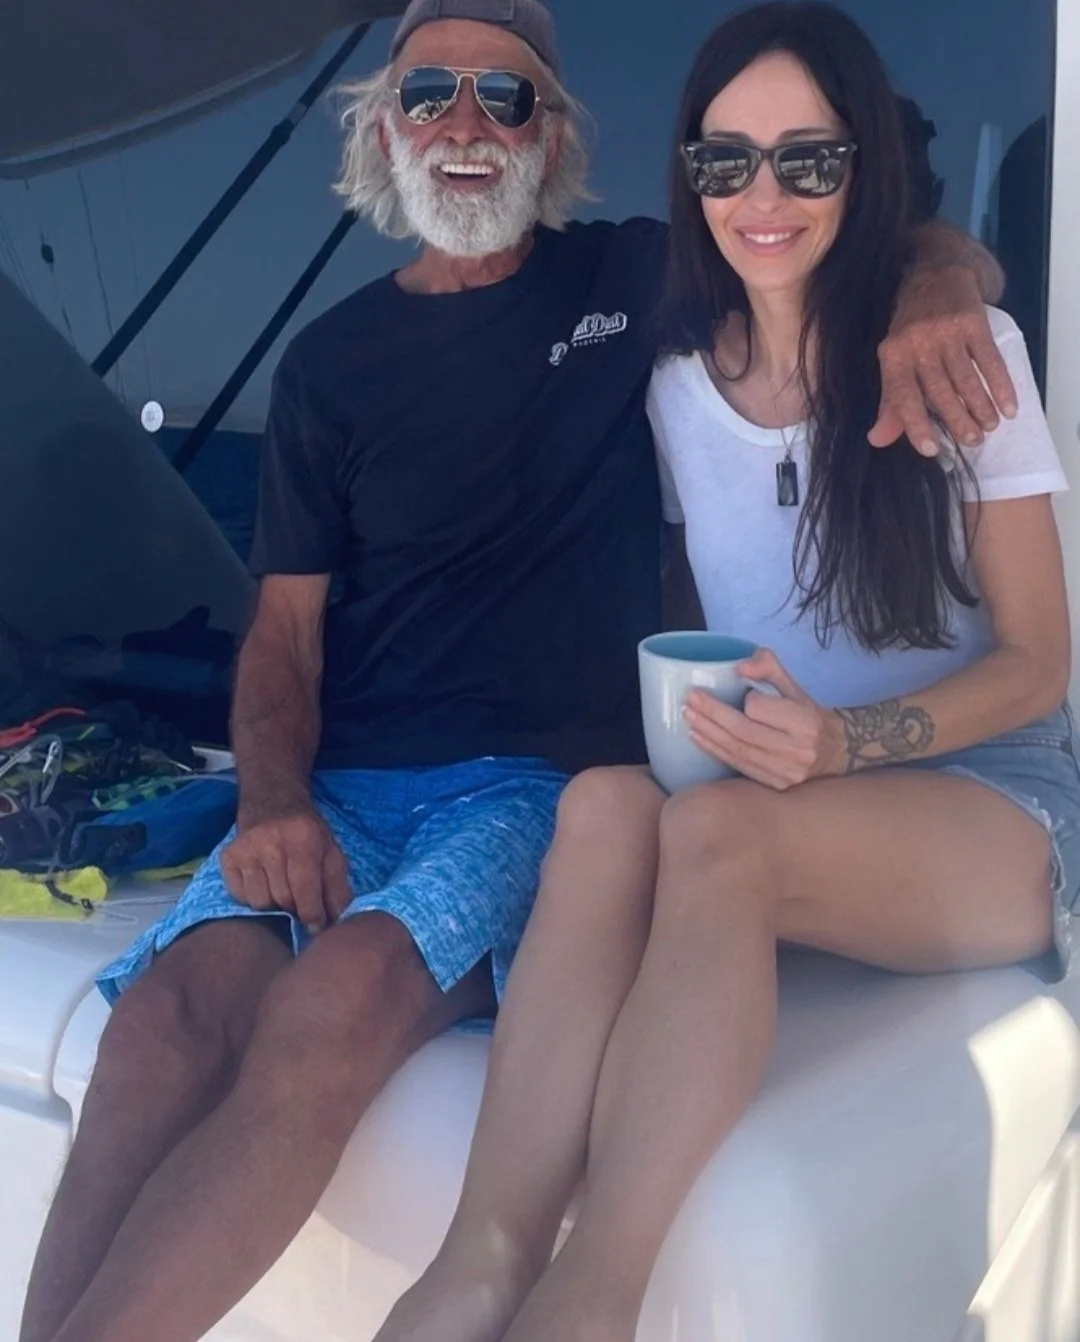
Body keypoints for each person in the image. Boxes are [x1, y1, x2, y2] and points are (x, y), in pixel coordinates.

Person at [18, 4, 1018, 1342]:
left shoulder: (633, 281)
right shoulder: (326, 368)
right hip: (344, 784)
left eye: (509, 96)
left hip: (532, 789)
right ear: (385, 127)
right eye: (432, 91)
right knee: (157, 1029)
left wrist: (948, 280)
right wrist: (270, 804)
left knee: (329, 1003)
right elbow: (282, 640)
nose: (468, 124)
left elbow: (844, 242)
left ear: (554, 139)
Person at [372, 6, 1080, 1342]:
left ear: (863, 169)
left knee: (719, 836)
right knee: (600, 806)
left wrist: (847, 743)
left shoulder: (966, 358)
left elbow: (1044, 664)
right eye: (727, 162)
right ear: (689, 178)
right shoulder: (674, 381)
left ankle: (595, 1299)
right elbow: (717, 602)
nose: (766, 197)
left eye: (809, 162)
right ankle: (479, 1257)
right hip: (789, 783)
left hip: (995, 794)